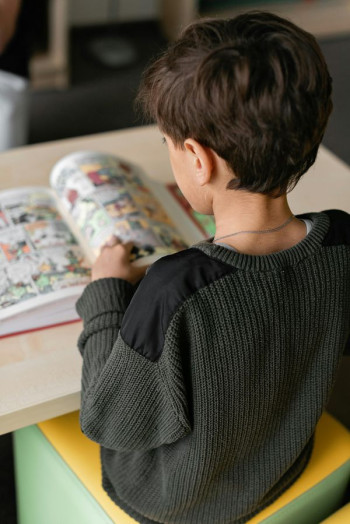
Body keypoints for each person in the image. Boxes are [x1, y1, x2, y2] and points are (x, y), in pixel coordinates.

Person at [75, 11, 350, 524]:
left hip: (179, 501)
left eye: (168, 145)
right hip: (282, 461)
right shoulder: (342, 240)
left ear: (199, 160)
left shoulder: (175, 289)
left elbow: (111, 421)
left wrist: (106, 293)